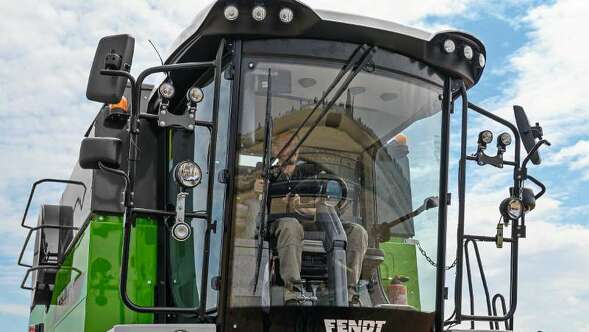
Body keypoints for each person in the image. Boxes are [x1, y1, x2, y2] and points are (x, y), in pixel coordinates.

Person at [264, 132, 368, 305]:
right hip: (280, 224)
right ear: (275, 150)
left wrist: (311, 205)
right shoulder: (268, 175)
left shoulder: (311, 170)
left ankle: (349, 293)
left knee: (358, 232)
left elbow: (333, 192)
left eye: (295, 146)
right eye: (286, 145)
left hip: (316, 221)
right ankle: (294, 291)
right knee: (290, 225)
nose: (292, 149)